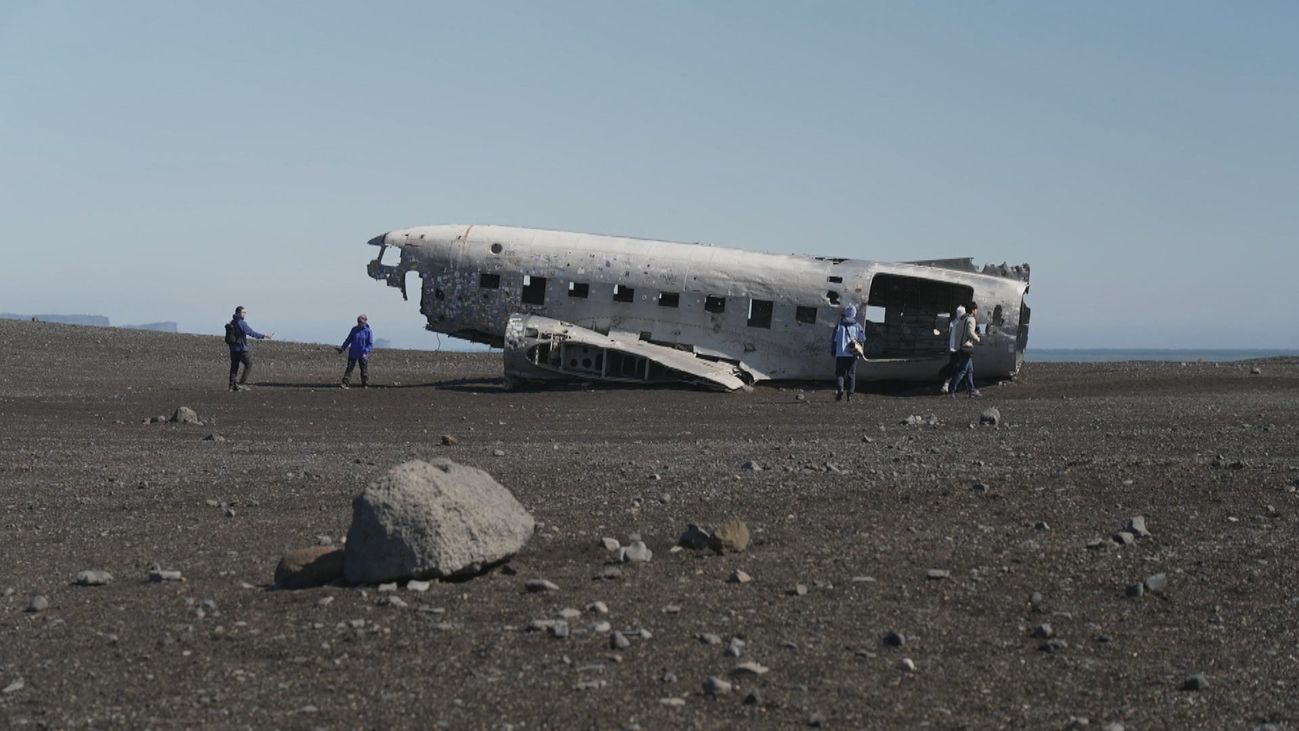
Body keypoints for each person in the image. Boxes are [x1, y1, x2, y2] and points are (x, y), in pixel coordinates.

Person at [226, 306, 272, 391]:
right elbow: (251, 333)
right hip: (241, 349)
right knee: (249, 364)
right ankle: (241, 384)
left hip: (233, 349)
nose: (245, 314)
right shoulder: (241, 323)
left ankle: (231, 387)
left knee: (234, 367)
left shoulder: (232, 322)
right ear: (239, 313)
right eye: (243, 312)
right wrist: (265, 336)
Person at [830, 304, 866, 402]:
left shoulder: (839, 326)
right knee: (851, 375)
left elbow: (834, 340)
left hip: (840, 354)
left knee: (840, 373)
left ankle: (840, 388)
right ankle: (850, 395)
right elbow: (862, 339)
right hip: (852, 354)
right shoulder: (858, 326)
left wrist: (833, 351)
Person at [947, 302, 981, 398]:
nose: (976, 312)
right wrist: (977, 338)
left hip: (961, 347)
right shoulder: (971, 319)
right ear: (973, 310)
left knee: (970, 370)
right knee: (962, 371)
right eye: (976, 310)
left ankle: (971, 390)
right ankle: (951, 389)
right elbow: (970, 333)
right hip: (967, 348)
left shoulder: (962, 319)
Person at [336, 314, 374, 388]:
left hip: (363, 354)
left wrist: (366, 351)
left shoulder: (368, 331)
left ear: (365, 322)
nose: (359, 323)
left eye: (361, 322)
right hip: (353, 352)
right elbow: (349, 339)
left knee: (364, 370)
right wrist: (343, 348)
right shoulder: (354, 329)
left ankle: (365, 383)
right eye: (358, 321)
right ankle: (345, 383)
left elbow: (370, 344)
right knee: (349, 369)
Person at [940, 305, 966, 394]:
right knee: (959, 367)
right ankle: (949, 385)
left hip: (952, 348)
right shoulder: (962, 323)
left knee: (954, 366)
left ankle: (948, 384)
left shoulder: (953, 322)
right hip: (958, 348)